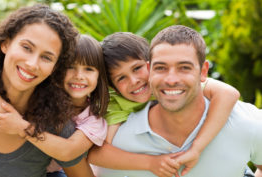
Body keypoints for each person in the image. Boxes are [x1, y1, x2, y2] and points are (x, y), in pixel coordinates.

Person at [0, 4, 94, 177]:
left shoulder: (57, 125)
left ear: (55, 67)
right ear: (5, 43)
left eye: (46, 57)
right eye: (27, 47)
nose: (32, 64)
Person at [93, 25, 262, 177]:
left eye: (184, 68)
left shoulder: (245, 121)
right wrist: (151, 163)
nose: (134, 80)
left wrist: (197, 148)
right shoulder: (119, 123)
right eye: (161, 68)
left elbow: (229, 93)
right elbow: (96, 153)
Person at [0, 34, 109, 177]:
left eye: (89, 69)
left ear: (99, 76)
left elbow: (68, 151)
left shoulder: (94, 120)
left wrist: (20, 127)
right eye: (70, 67)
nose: (79, 75)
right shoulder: (40, 95)